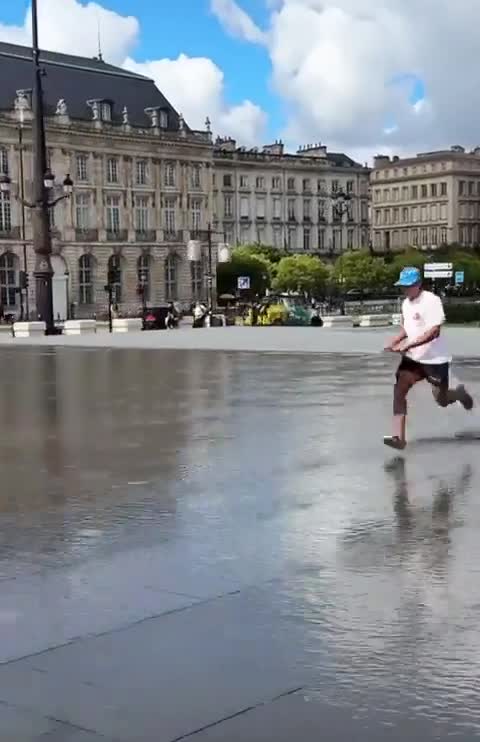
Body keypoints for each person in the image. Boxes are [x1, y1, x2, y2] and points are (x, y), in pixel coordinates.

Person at [384, 266, 473, 450]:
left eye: (408, 286)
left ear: (418, 284)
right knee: (399, 391)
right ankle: (398, 437)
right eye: (403, 286)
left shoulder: (432, 301)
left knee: (441, 400)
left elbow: (434, 332)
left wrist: (409, 344)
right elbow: (408, 329)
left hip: (435, 360)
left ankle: (459, 394)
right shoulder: (406, 304)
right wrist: (396, 339)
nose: (405, 290)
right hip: (413, 360)